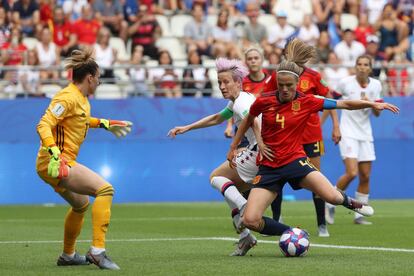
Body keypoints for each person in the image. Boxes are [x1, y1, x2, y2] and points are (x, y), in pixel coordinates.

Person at [227, 58, 398, 241]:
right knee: (250, 220)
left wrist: (373, 104)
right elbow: (249, 120)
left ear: (297, 83)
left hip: (295, 161)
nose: (285, 89)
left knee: (332, 197)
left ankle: (351, 202)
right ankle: (292, 233)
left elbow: (345, 104)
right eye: (281, 85)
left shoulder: (308, 101)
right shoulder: (264, 101)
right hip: (268, 166)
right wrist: (236, 145)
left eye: (289, 85)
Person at [168, 57, 285, 256]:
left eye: (226, 82)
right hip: (266, 153)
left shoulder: (241, 103)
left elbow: (253, 120)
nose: (222, 86)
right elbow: (216, 118)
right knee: (231, 189)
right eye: (219, 82)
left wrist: (260, 145)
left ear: (238, 83)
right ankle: (245, 236)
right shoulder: (239, 100)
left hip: (260, 152)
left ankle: (244, 207)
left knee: (215, 177)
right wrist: (187, 127)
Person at [36, 49, 133, 270]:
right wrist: (54, 154)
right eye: (98, 77)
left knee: (81, 205)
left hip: (55, 162)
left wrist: (105, 123)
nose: (99, 82)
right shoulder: (67, 97)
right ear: (90, 78)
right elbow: (44, 124)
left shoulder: (80, 99)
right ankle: (98, 251)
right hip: (56, 162)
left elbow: (80, 120)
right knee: (105, 190)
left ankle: (68, 256)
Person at [271, 38, 341, 237]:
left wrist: (335, 125)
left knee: (316, 179)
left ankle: (321, 225)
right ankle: (277, 219)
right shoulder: (280, 75)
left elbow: (330, 101)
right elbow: (266, 98)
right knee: (279, 177)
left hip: (311, 135)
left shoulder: (314, 77)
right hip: (285, 135)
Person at [325, 54, 386, 225]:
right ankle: (330, 202)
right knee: (352, 172)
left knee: (365, 175)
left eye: (366, 64)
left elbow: (378, 113)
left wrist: (370, 103)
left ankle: (359, 214)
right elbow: (330, 102)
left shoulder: (376, 85)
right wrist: (332, 126)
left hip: (365, 134)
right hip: (348, 132)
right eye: (359, 64)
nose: (362, 67)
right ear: (355, 66)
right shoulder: (345, 82)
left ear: (370, 68)